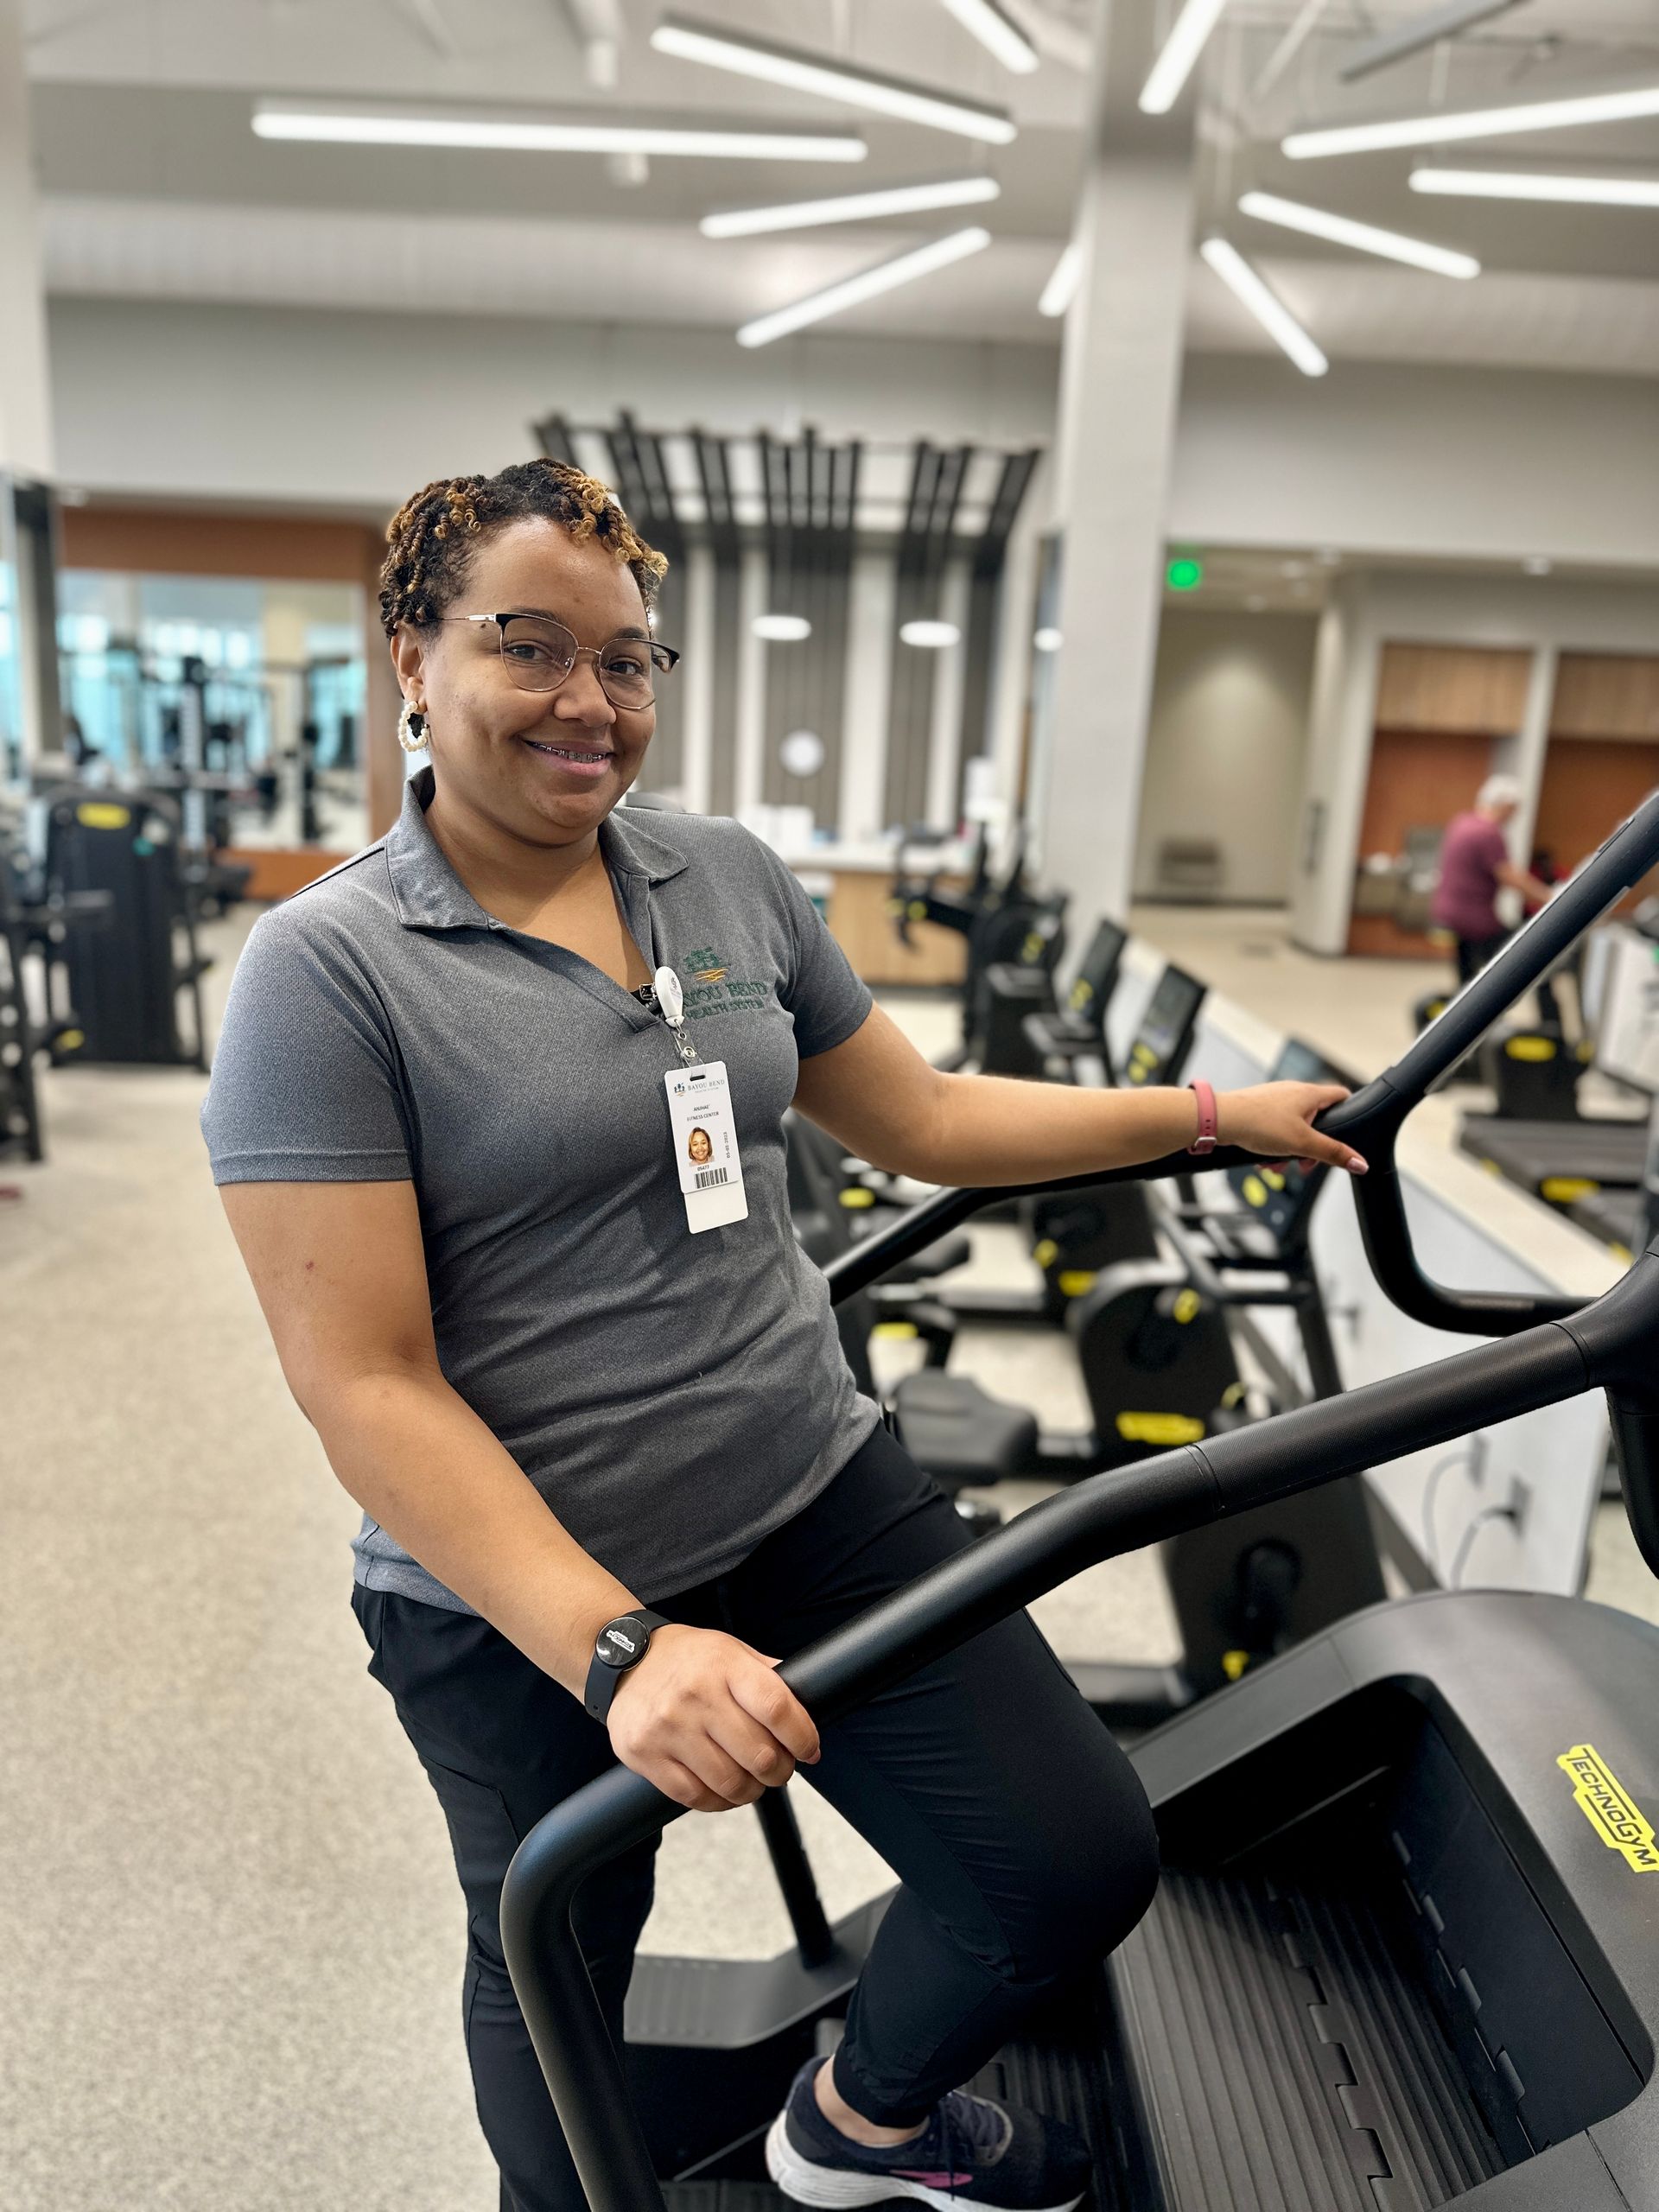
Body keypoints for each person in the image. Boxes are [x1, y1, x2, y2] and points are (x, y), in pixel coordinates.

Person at [201, 458, 1367, 2212]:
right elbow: (361, 1375)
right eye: (532, 647)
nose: (594, 701)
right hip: (531, 1598)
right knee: (563, 2006)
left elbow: (930, 1117)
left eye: (632, 657)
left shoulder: (721, 875)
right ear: (414, 660)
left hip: (813, 1485)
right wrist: (619, 1651)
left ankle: (862, 2119)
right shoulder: (327, 972)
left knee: (1066, 1859)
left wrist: (1209, 1114)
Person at [1432, 773, 1555, 989]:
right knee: (1525, 954)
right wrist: (1548, 896)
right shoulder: (1487, 833)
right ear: (1504, 805)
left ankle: (1465, 1003)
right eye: (1514, 808)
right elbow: (1509, 876)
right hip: (1473, 916)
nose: (1515, 815)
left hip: (1449, 909)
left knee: (1469, 969)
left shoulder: (1463, 822)